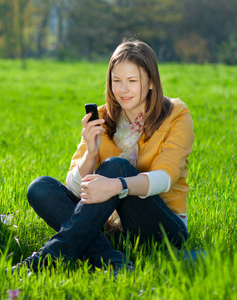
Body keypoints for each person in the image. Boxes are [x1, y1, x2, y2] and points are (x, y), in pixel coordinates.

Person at [13, 39, 194, 275]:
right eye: (116, 81)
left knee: (116, 167)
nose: (123, 89)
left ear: (151, 82)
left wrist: (117, 185)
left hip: (162, 226)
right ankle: (111, 259)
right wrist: (91, 151)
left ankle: (50, 256)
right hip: (110, 224)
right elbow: (77, 189)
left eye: (132, 81)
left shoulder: (176, 115)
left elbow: (165, 178)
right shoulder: (101, 116)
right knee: (41, 187)